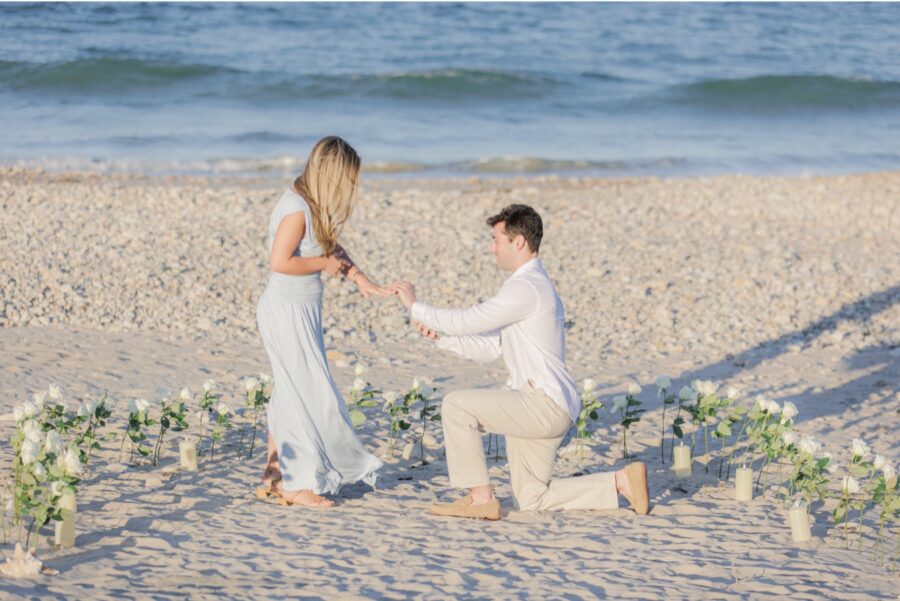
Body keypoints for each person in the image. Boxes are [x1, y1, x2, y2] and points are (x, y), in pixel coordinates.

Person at [389, 204, 649, 520]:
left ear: (519, 242)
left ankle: (479, 498)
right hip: (545, 406)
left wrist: (416, 306)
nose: (491, 247)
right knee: (532, 498)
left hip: (541, 405)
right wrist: (440, 338)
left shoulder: (527, 286)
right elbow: (489, 347)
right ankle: (621, 482)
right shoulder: (532, 285)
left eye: (496, 239)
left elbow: (471, 319)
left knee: (456, 406)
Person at [256, 136, 386, 507]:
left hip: (301, 310)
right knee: (304, 393)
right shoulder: (296, 209)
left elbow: (328, 246)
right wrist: (324, 266)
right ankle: (296, 486)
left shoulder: (311, 206)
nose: (351, 188)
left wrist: (357, 276)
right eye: (347, 180)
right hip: (286, 310)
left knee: (289, 390)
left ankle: (276, 473)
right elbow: (280, 261)